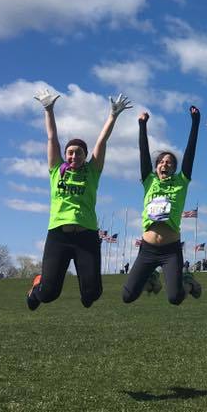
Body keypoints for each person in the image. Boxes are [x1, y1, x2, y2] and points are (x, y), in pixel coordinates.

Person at [27, 88, 132, 310]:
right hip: (59, 236)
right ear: (66, 155)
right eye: (70, 152)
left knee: (92, 294)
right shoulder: (56, 170)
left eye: (79, 152)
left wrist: (112, 116)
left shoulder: (92, 171)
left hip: (86, 237)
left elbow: (102, 142)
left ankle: (87, 293)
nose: (74, 155)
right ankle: (37, 288)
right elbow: (52, 137)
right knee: (49, 294)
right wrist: (48, 110)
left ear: (85, 156)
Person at [122, 107, 202, 305]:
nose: (165, 165)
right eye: (161, 162)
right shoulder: (149, 180)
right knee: (127, 296)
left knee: (175, 298)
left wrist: (195, 123)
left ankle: (189, 282)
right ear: (156, 166)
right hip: (147, 249)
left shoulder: (181, 182)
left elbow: (190, 151)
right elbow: (143, 151)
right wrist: (142, 125)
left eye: (170, 163)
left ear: (175, 169)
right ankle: (151, 278)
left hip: (170, 250)